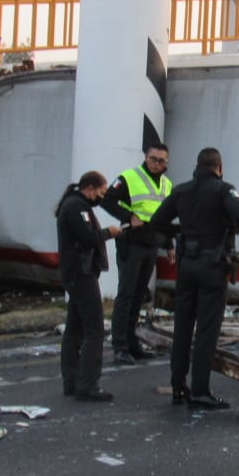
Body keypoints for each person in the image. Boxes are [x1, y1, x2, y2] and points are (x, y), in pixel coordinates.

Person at [147, 147, 239, 409]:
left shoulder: (181, 190)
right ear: (219, 166)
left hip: (187, 265)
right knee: (206, 330)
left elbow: (157, 222)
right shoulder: (224, 189)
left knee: (182, 326)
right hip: (213, 266)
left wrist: (182, 230)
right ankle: (200, 391)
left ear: (198, 165)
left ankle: (177, 386)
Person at [100, 142, 173, 365]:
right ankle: (120, 345)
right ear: (146, 156)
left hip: (151, 243)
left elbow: (165, 218)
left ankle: (132, 342)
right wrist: (128, 215)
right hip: (131, 243)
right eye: (153, 159)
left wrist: (169, 245)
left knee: (139, 295)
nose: (156, 164)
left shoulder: (166, 184)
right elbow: (107, 200)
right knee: (126, 294)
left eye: (161, 161)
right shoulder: (130, 177)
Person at [55, 170, 123, 401]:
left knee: (75, 328)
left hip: (77, 272)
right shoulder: (77, 207)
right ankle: (88, 384)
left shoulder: (75, 205)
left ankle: (72, 381)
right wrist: (109, 233)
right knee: (95, 328)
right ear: (91, 189)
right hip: (81, 273)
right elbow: (87, 238)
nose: (102, 198)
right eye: (101, 192)